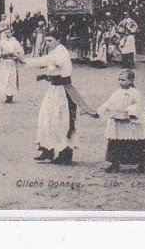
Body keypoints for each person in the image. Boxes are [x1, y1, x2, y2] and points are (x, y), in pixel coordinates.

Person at [21, 28, 97, 165]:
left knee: (61, 121)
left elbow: (48, 62)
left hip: (63, 91)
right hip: (54, 89)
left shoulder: (61, 52)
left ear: (59, 41)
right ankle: (47, 149)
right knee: (46, 117)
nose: (48, 43)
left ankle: (65, 154)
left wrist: (24, 60)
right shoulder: (55, 51)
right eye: (46, 40)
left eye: (50, 40)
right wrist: (45, 75)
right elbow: (52, 67)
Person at [97, 68, 145, 173]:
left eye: (123, 80)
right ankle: (115, 163)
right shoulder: (117, 92)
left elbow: (139, 105)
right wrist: (99, 112)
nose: (120, 82)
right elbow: (109, 103)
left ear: (131, 80)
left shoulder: (136, 93)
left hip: (130, 122)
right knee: (116, 142)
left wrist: (130, 111)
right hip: (118, 121)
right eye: (119, 80)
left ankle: (141, 164)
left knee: (134, 143)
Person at [0, 27, 24, 103]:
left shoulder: (15, 42)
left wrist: (14, 54)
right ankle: (7, 96)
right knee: (4, 78)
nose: (7, 34)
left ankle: (10, 96)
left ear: (12, 33)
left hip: (11, 62)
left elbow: (21, 52)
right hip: (4, 62)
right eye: (6, 33)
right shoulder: (2, 42)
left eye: (9, 32)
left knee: (11, 79)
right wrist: (0, 55)